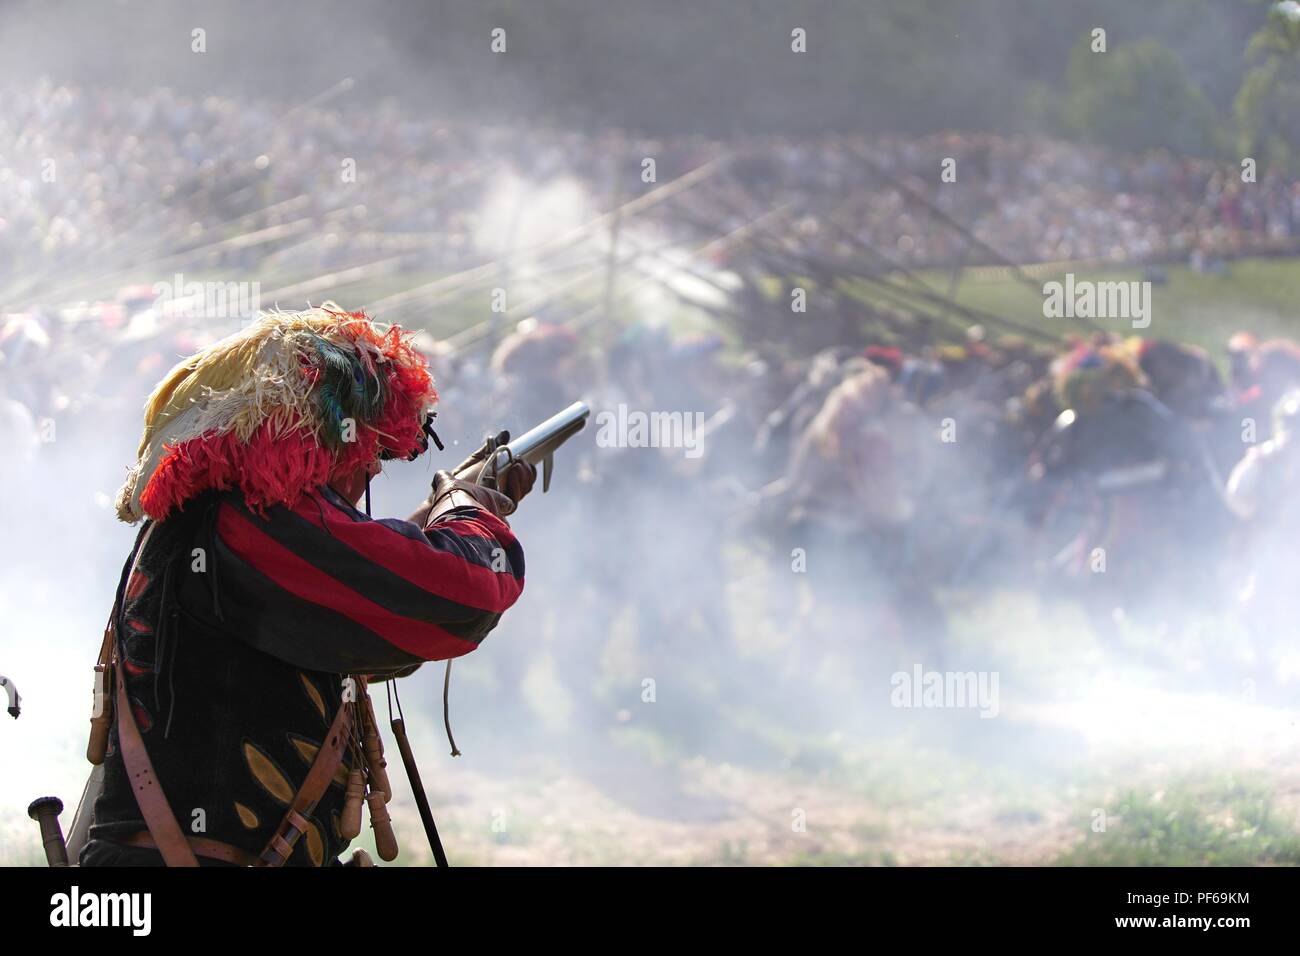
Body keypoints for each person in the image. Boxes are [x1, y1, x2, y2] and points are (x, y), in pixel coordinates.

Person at [80, 306, 535, 867]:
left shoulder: (219, 517)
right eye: (370, 450)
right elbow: (464, 593)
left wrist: (444, 509)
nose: (374, 470)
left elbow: (347, 613)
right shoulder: (249, 522)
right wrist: (466, 506)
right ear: (314, 434)